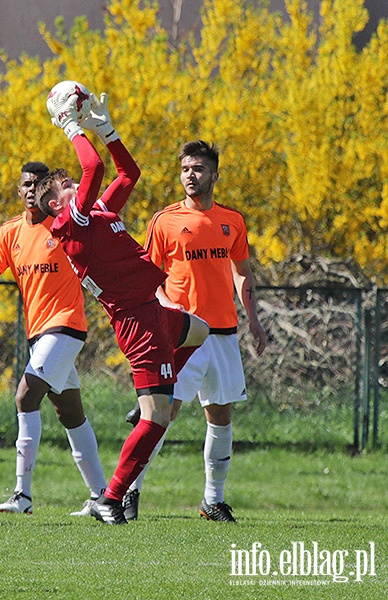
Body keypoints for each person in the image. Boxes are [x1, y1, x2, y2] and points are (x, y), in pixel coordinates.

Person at [36, 90, 209, 524]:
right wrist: (71, 127)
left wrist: (106, 129)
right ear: (57, 204)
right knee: (157, 419)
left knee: (201, 330)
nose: (77, 186)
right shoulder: (69, 225)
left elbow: (128, 173)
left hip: (154, 313)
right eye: (67, 187)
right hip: (138, 323)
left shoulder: (94, 213)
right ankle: (111, 498)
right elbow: (91, 166)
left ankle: (153, 393)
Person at [120, 140, 268, 523]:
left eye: (198, 169)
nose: (191, 175)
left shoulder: (231, 220)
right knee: (162, 414)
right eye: (186, 169)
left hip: (222, 334)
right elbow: (148, 277)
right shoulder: (164, 220)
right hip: (185, 333)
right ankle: (129, 491)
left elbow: (241, 273)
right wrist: (167, 309)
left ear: (215, 175)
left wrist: (253, 319)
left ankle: (212, 501)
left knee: (220, 416)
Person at [0, 161, 107, 516]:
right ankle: (102, 495)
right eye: (26, 184)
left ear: (49, 193)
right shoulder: (10, 233)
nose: (31, 190)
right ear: (19, 190)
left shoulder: (64, 226)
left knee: (25, 396)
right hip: (41, 334)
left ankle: (22, 495)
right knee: (71, 414)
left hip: (66, 326)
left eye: (39, 184)